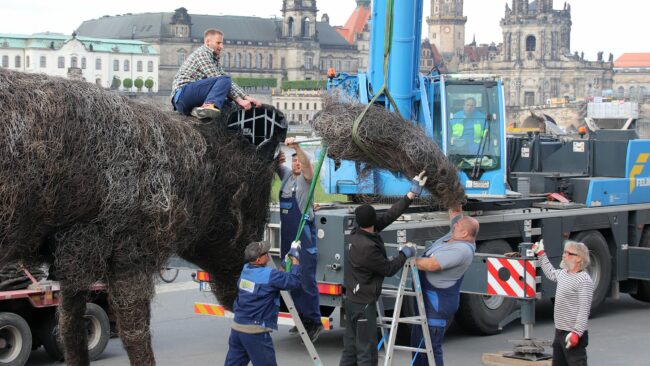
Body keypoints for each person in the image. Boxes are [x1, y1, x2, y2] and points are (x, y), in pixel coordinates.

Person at [339, 171, 427, 366]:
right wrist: (405, 253)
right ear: (372, 221)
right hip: (363, 306)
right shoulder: (367, 249)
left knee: (351, 349)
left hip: (353, 301)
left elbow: (389, 216)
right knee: (366, 352)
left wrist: (410, 195)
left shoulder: (358, 232)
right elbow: (388, 269)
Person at [410, 207, 478, 366]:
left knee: (430, 354)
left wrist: (405, 258)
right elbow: (455, 211)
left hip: (436, 308)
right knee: (418, 353)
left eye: (458, 227)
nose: (454, 226)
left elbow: (432, 265)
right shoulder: (454, 237)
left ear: (465, 234)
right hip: (424, 307)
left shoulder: (461, 250)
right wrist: (449, 189)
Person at [224, 240, 301, 366]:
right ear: (259, 260)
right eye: (266, 253)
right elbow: (293, 281)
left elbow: (275, 278)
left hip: (237, 329)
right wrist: (296, 258)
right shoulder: (269, 275)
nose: (269, 255)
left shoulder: (246, 271)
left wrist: (287, 259)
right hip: (255, 332)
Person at [276, 137, 323, 341]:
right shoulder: (286, 175)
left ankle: (314, 321)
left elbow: (306, 166)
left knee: (306, 280)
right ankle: (301, 319)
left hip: (303, 235)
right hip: (288, 236)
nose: (296, 163)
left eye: (299, 161)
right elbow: (276, 163)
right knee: (292, 279)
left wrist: (296, 147)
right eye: (293, 160)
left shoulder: (306, 179)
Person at [171, 28, 262, 120]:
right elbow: (219, 78)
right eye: (218, 43)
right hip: (182, 96)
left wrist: (246, 97)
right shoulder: (202, 54)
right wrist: (240, 100)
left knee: (228, 103)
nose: (221, 46)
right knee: (225, 79)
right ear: (208, 42)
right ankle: (208, 106)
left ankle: (203, 110)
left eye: (222, 43)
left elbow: (226, 84)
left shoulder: (213, 58)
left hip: (189, 99)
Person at [533, 240, 594, 366]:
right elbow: (550, 272)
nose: (564, 255)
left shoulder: (584, 280)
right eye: (564, 252)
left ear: (579, 259)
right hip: (559, 332)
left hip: (572, 335)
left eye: (568, 253)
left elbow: (584, 309)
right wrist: (540, 253)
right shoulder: (563, 274)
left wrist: (576, 333)